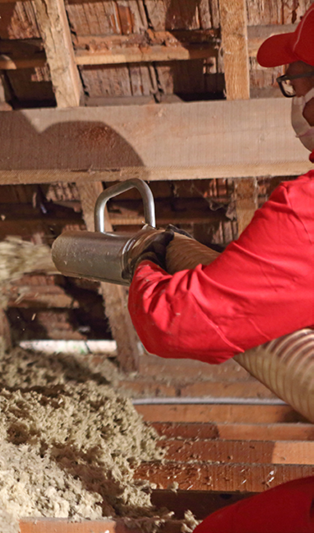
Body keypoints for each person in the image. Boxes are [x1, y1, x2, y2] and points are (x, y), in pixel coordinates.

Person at [125, 9, 314, 532]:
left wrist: (147, 259)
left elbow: (177, 320)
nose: (295, 95)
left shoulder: (308, 213)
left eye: (298, 79)